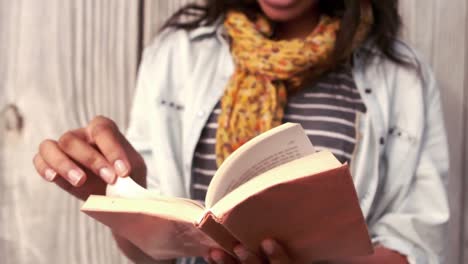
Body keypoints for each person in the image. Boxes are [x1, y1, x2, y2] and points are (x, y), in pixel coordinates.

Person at [33, 0, 450, 263]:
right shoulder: (176, 53)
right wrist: (124, 196)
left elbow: (420, 239)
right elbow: (154, 254)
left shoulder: (403, 75)